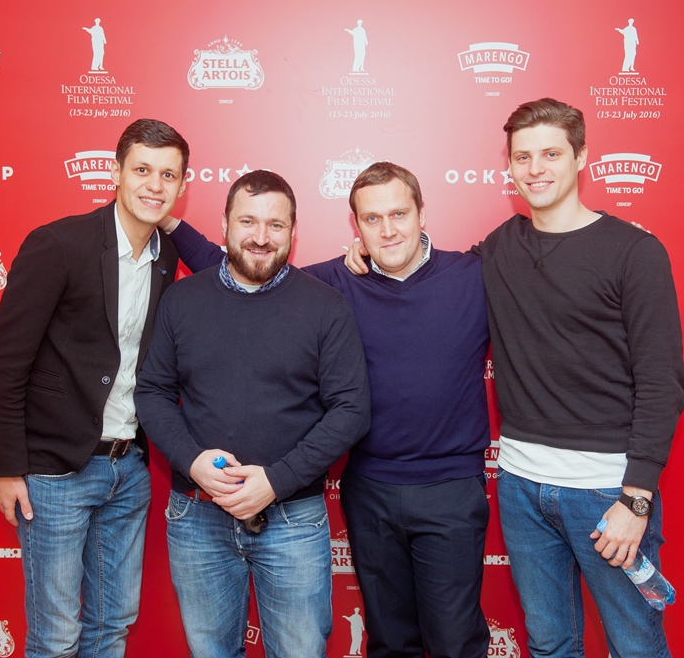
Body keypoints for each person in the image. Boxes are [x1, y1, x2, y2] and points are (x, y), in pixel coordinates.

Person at [346, 99, 684, 658]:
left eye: (551, 154)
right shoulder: (501, 247)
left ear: (582, 157)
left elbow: (661, 382)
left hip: (607, 492)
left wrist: (637, 499)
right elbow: (428, 273)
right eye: (523, 157)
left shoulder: (635, 252)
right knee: (549, 644)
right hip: (522, 485)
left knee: (635, 643)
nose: (535, 169)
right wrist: (371, 251)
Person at [160, 161, 492, 658]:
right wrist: (168, 220)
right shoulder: (333, 282)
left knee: (455, 641)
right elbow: (244, 265)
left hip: (451, 487)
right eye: (372, 218)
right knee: (389, 641)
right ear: (355, 226)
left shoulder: (473, 275)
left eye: (399, 214)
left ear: (422, 213)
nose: (387, 229)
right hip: (371, 489)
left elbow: (537, 254)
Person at [134, 170, 370, 658]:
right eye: (247, 221)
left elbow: (351, 410)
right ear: (224, 224)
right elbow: (153, 392)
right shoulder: (182, 300)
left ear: (293, 231)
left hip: (292, 518)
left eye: (275, 225)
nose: (261, 237)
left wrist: (277, 481)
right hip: (197, 515)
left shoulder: (326, 307)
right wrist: (192, 462)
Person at [0, 119, 189, 658]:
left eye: (168, 175)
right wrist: (5, 467)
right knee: (56, 636)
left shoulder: (166, 256)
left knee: (112, 625)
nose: (155, 185)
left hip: (129, 470)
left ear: (182, 186)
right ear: (116, 173)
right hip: (55, 473)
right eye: (142, 170)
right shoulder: (58, 244)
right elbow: (4, 362)